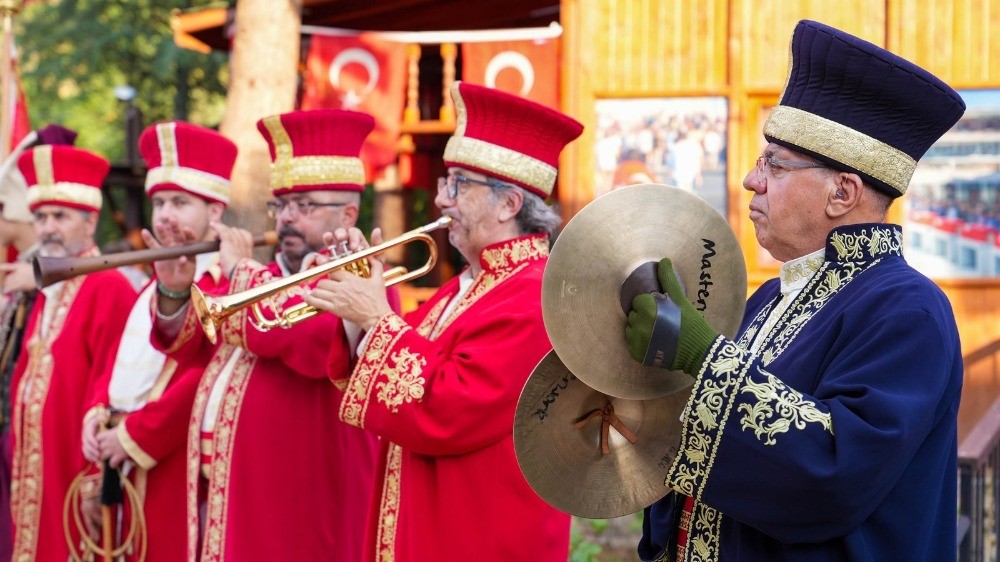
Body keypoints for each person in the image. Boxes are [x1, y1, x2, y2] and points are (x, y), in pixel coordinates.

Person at [624, 20, 966, 562]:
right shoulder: (767, 299)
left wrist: (702, 357)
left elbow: (833, 473)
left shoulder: (910, 309)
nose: (751, 180)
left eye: (775, 165)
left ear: (842, 193)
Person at [303, 81, 583, 562]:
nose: (441, 200)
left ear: (509, 204)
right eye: (444, 183)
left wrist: (374, 315)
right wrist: (356, 303)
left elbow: (447, 404)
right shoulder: (467, 285)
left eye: (459, 185)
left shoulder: (535, 294)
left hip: (483, 534)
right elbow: (407, 359)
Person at [149, 109, 379, 562]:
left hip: (305, 506)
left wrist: (239, 269)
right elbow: (192, 345)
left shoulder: (364, 278)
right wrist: (174, 287)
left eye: (304, 206)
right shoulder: (266, 277)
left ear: (348, 213)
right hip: (238, 495)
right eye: (281, 205)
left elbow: (309, 341)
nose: (287, 219)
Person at [80, 121, 237, 562]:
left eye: (180, 203)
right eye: (160, 203)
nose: (165, 216)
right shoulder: (150, 287)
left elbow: (201, 378)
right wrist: (97, 414)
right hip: (122, 459)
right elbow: (114, 366)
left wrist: (133, 435)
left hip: (176, 465)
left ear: (215, 212)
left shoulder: (227, 285)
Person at [7, 145, 137, 561]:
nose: (48, 228)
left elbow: (112, 387)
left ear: (90, 221)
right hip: (38, 473)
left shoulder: (108, 285)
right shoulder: (50, 288)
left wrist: (95, 478)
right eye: (41, 217)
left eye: (60, 216)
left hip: (75, 477)